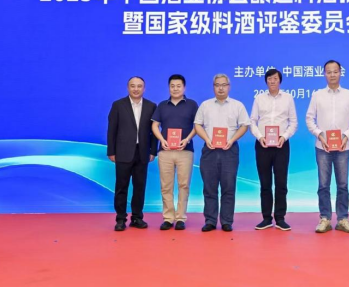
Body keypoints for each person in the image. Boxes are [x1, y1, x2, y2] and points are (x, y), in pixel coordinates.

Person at [306, 60, 349, 233]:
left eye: (335, 71)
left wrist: (346, 136)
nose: (332, 75)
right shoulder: (317, 95)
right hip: (322, 147)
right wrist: (319, 134)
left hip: (343, 147)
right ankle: (325, 219)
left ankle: (343, 219)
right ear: (324, 74)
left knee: (342, 185)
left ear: (340, 73)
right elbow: (309, 118)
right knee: (323, 185)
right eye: (328, 72)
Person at [194, 74, 250, 232]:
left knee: (228, 187)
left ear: (229, 87)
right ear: (213, 87)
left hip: (229, 150)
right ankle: (210, 221)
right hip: (210, 150)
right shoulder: (205, 105)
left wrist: (232, 140)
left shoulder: (237, 105)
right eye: (217, 85)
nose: (220, 88)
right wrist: (207, 139)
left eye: (224, 85)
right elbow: (197, 125)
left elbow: (244, 125)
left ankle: (226, 221)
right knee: (209, 187)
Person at [107, 76, 158, 231]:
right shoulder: (118, 105)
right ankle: (120, 219)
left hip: (142, 152)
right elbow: (112, 130)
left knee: (139, 187)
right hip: (122, 152)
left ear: (144, 88)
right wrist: (111, 151)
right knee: (121, 187)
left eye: (139, 86)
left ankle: (137, 217)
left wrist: (153, 151)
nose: (136, 89)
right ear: (128, 87)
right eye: (132, 86)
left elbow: (154, 131)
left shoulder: (151, 106)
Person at [250, 69, 298, 231]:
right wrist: (260, 137)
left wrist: (284, 136)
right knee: (265, 183)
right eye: (269, 78)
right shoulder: (259, 98)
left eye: (275, 78)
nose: (272, 81)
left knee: (281, 183)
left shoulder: (288, 98)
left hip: (281, 145)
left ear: (280, 81)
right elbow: (252, 121)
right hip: (262, 144)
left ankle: (280, 218)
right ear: (266, 81)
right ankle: (266, 218)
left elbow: (293, 122)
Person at [151, 74, 198, 231]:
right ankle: (168, 218)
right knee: (166, 185)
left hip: (185, 151)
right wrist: (162, 140)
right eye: (172, 86)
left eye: (178, 86)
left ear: (184, 87)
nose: (175, 89)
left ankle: (180, 218)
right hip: (165, 151)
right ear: (169, 87)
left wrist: (187, 139)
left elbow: (197, 125)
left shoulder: (192, 104)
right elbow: (154, 125)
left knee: (183, 185)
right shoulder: (162, 105)